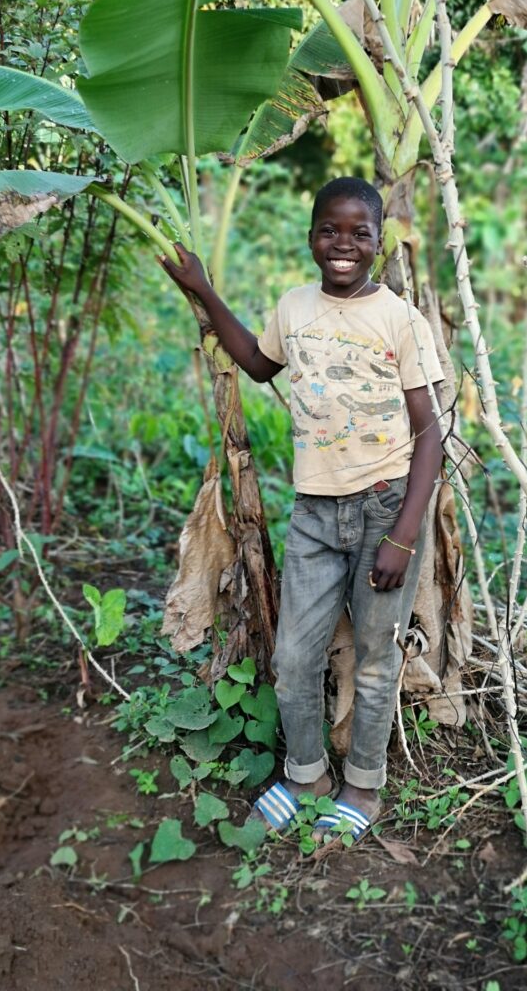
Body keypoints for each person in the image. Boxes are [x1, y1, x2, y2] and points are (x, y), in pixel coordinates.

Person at [160, 177, 444, 843]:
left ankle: (364, 787)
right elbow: (260, 364)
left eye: (359, 233)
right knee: (294, 657)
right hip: (314, 514)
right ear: (312, 234)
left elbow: (430, 430)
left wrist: (404, 535)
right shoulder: (294, 306)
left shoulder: (397, 318)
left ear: (378, 241)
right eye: (329, 230)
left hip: (385, 509)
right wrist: (203, 289)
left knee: (376, 660)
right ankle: (305, 776)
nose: (342, 245)